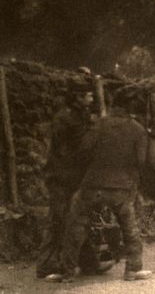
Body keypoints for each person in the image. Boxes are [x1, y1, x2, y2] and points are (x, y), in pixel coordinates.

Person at [55, 89, 155, 283]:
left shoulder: (100, 124)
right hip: (122, 186)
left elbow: (84, 150)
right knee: (129, 227)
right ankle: (132, 270)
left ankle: (67, 272)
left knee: (75, 225)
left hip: (93, 183)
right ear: (131, 108)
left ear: (114, 105)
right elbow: (143, 161)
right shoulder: (137, 129)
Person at [36, 83, 95, 281]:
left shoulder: (78, 115)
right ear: (78, 97)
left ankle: (87, 262)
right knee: (59, 219)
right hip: (62, 177)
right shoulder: (67, 118)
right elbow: (68, 150)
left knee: (77, 217)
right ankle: (46, 266)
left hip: (71, 175)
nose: (92, 99)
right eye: (88, 95)